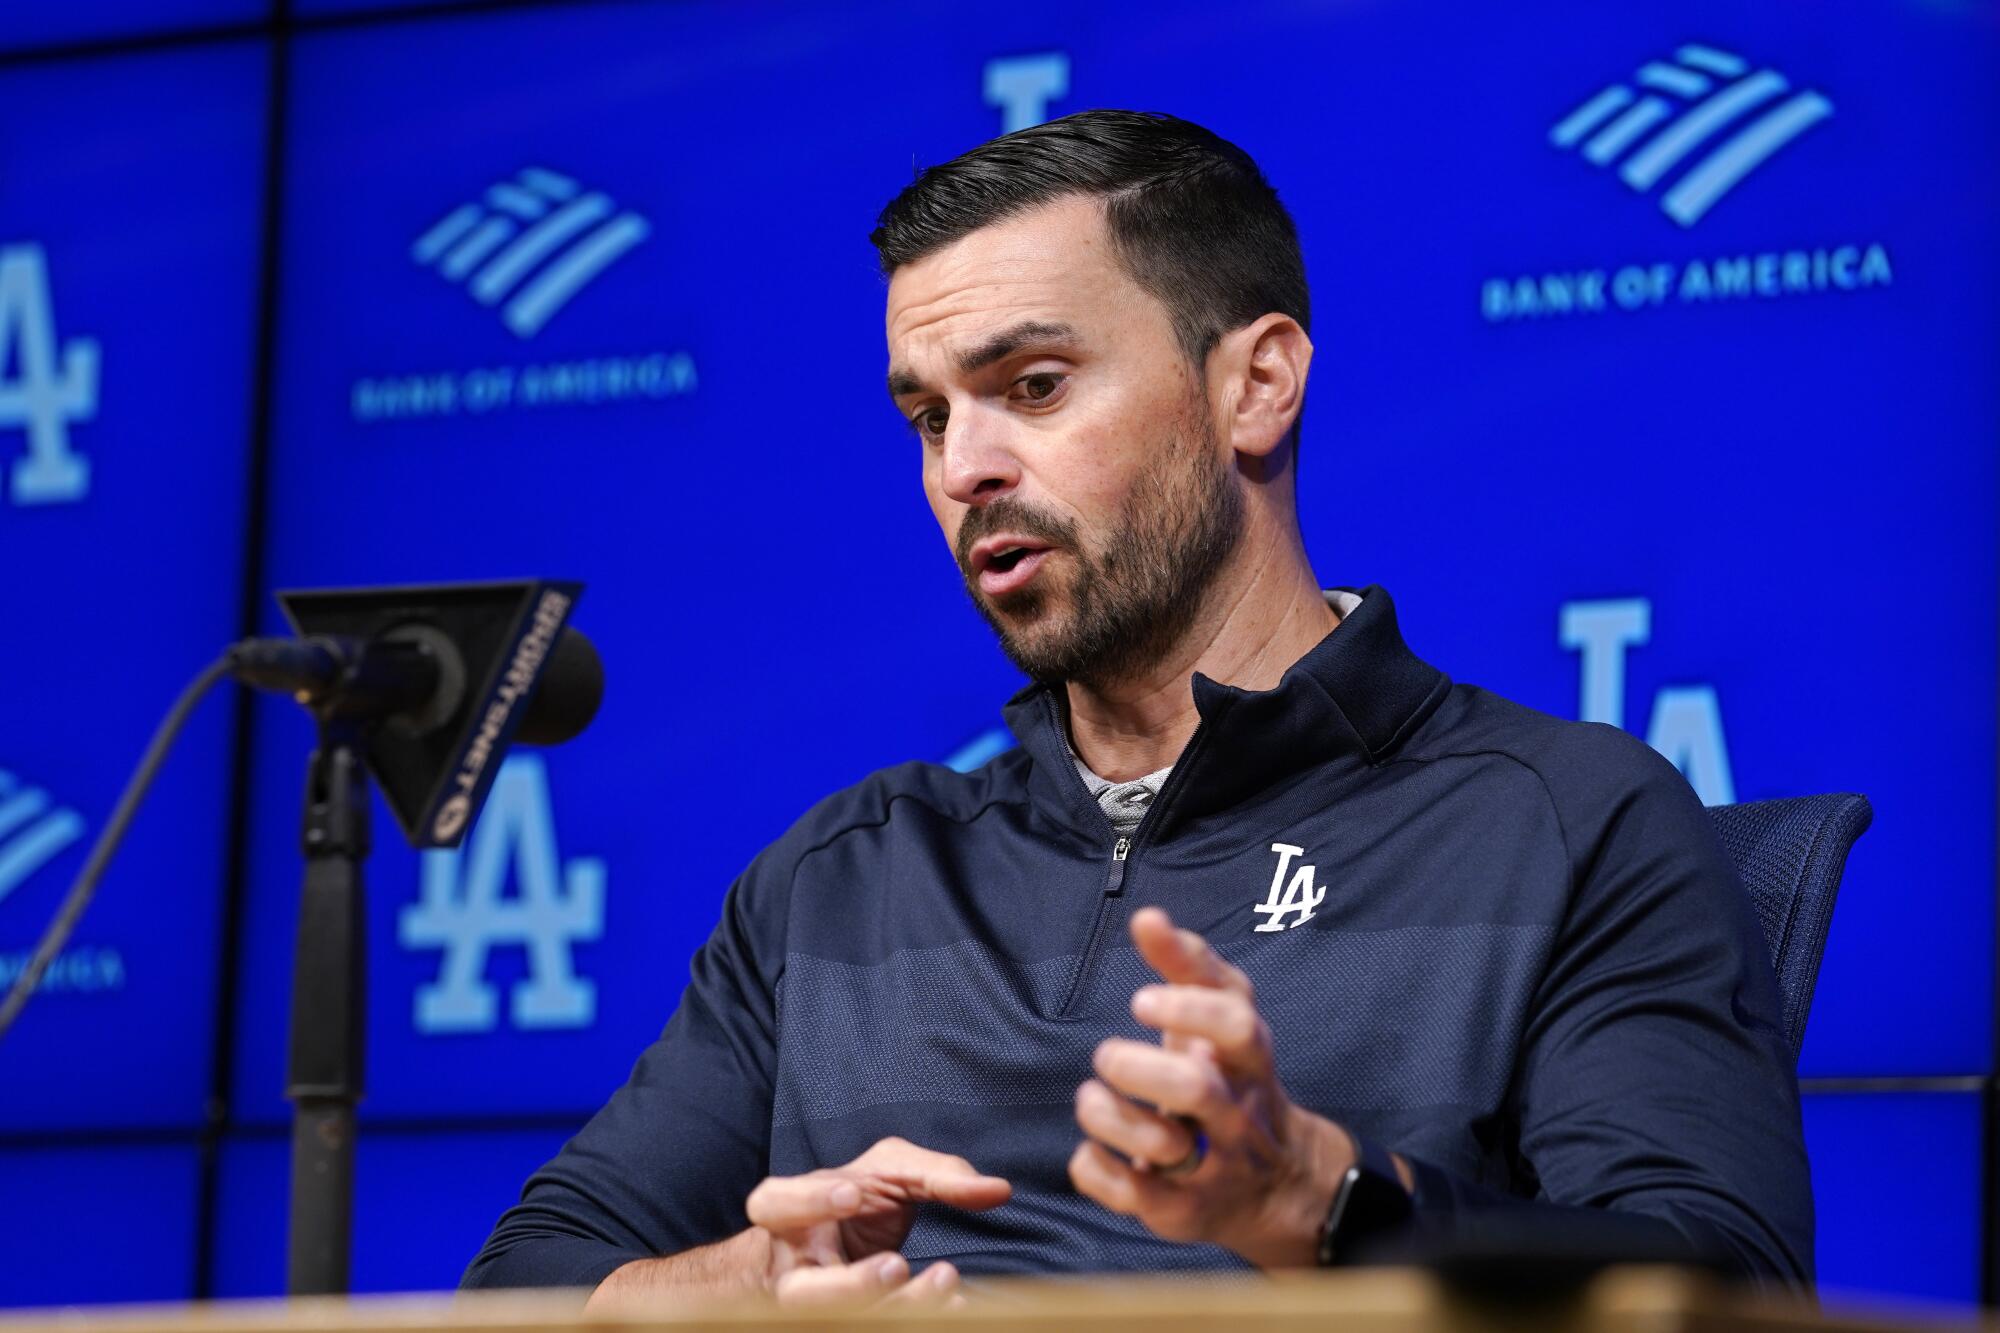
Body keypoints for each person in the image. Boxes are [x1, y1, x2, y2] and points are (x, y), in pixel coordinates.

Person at [462, 110, 1811, 1307]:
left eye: (1033, 387)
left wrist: (1324, 1203)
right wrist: (741, 1287)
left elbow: (1723, 1290)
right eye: (930, 418)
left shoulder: (1569, 817)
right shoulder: (844, 873)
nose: (967, 468)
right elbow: (529, 1281)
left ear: (1256, 384)